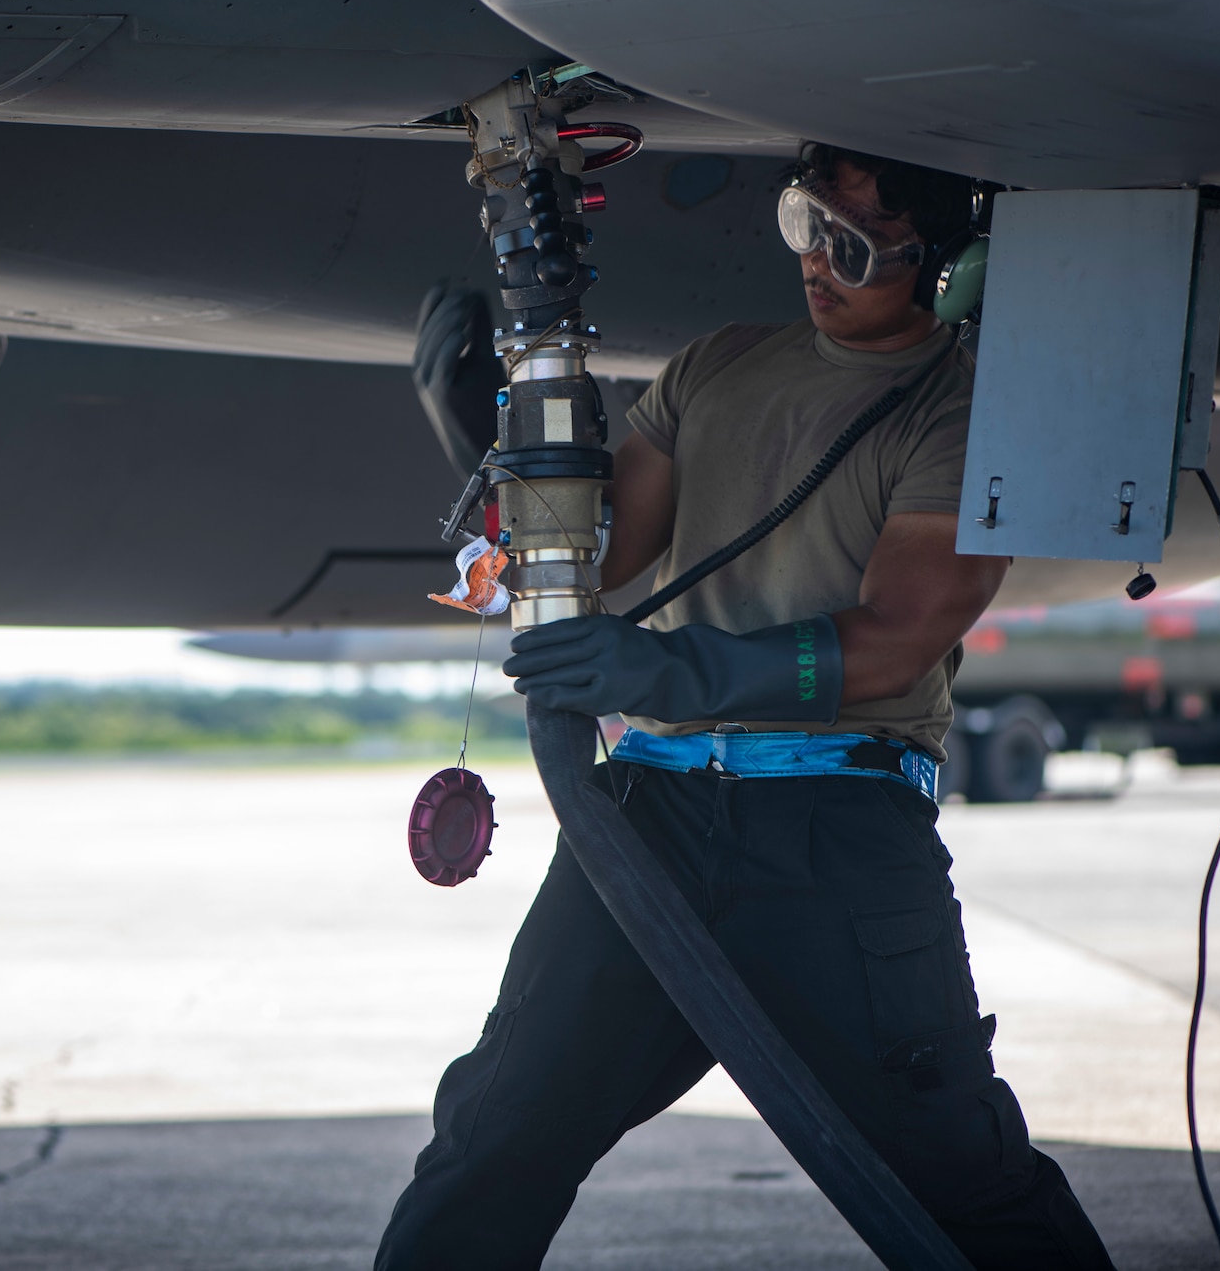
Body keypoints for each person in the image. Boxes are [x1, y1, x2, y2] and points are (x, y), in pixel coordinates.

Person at [377, 145, 1118, 1269]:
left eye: (854, 246)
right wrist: (497, 447)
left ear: (938, 264)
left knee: (959, 1183)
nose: (818, 265)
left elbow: (891, 641)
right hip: (649, 819)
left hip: (832, 836)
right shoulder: (715, 365)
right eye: (803, 225)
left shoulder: (963, 414)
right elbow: (600, 554)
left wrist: (669, 675)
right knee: (491, 1138)